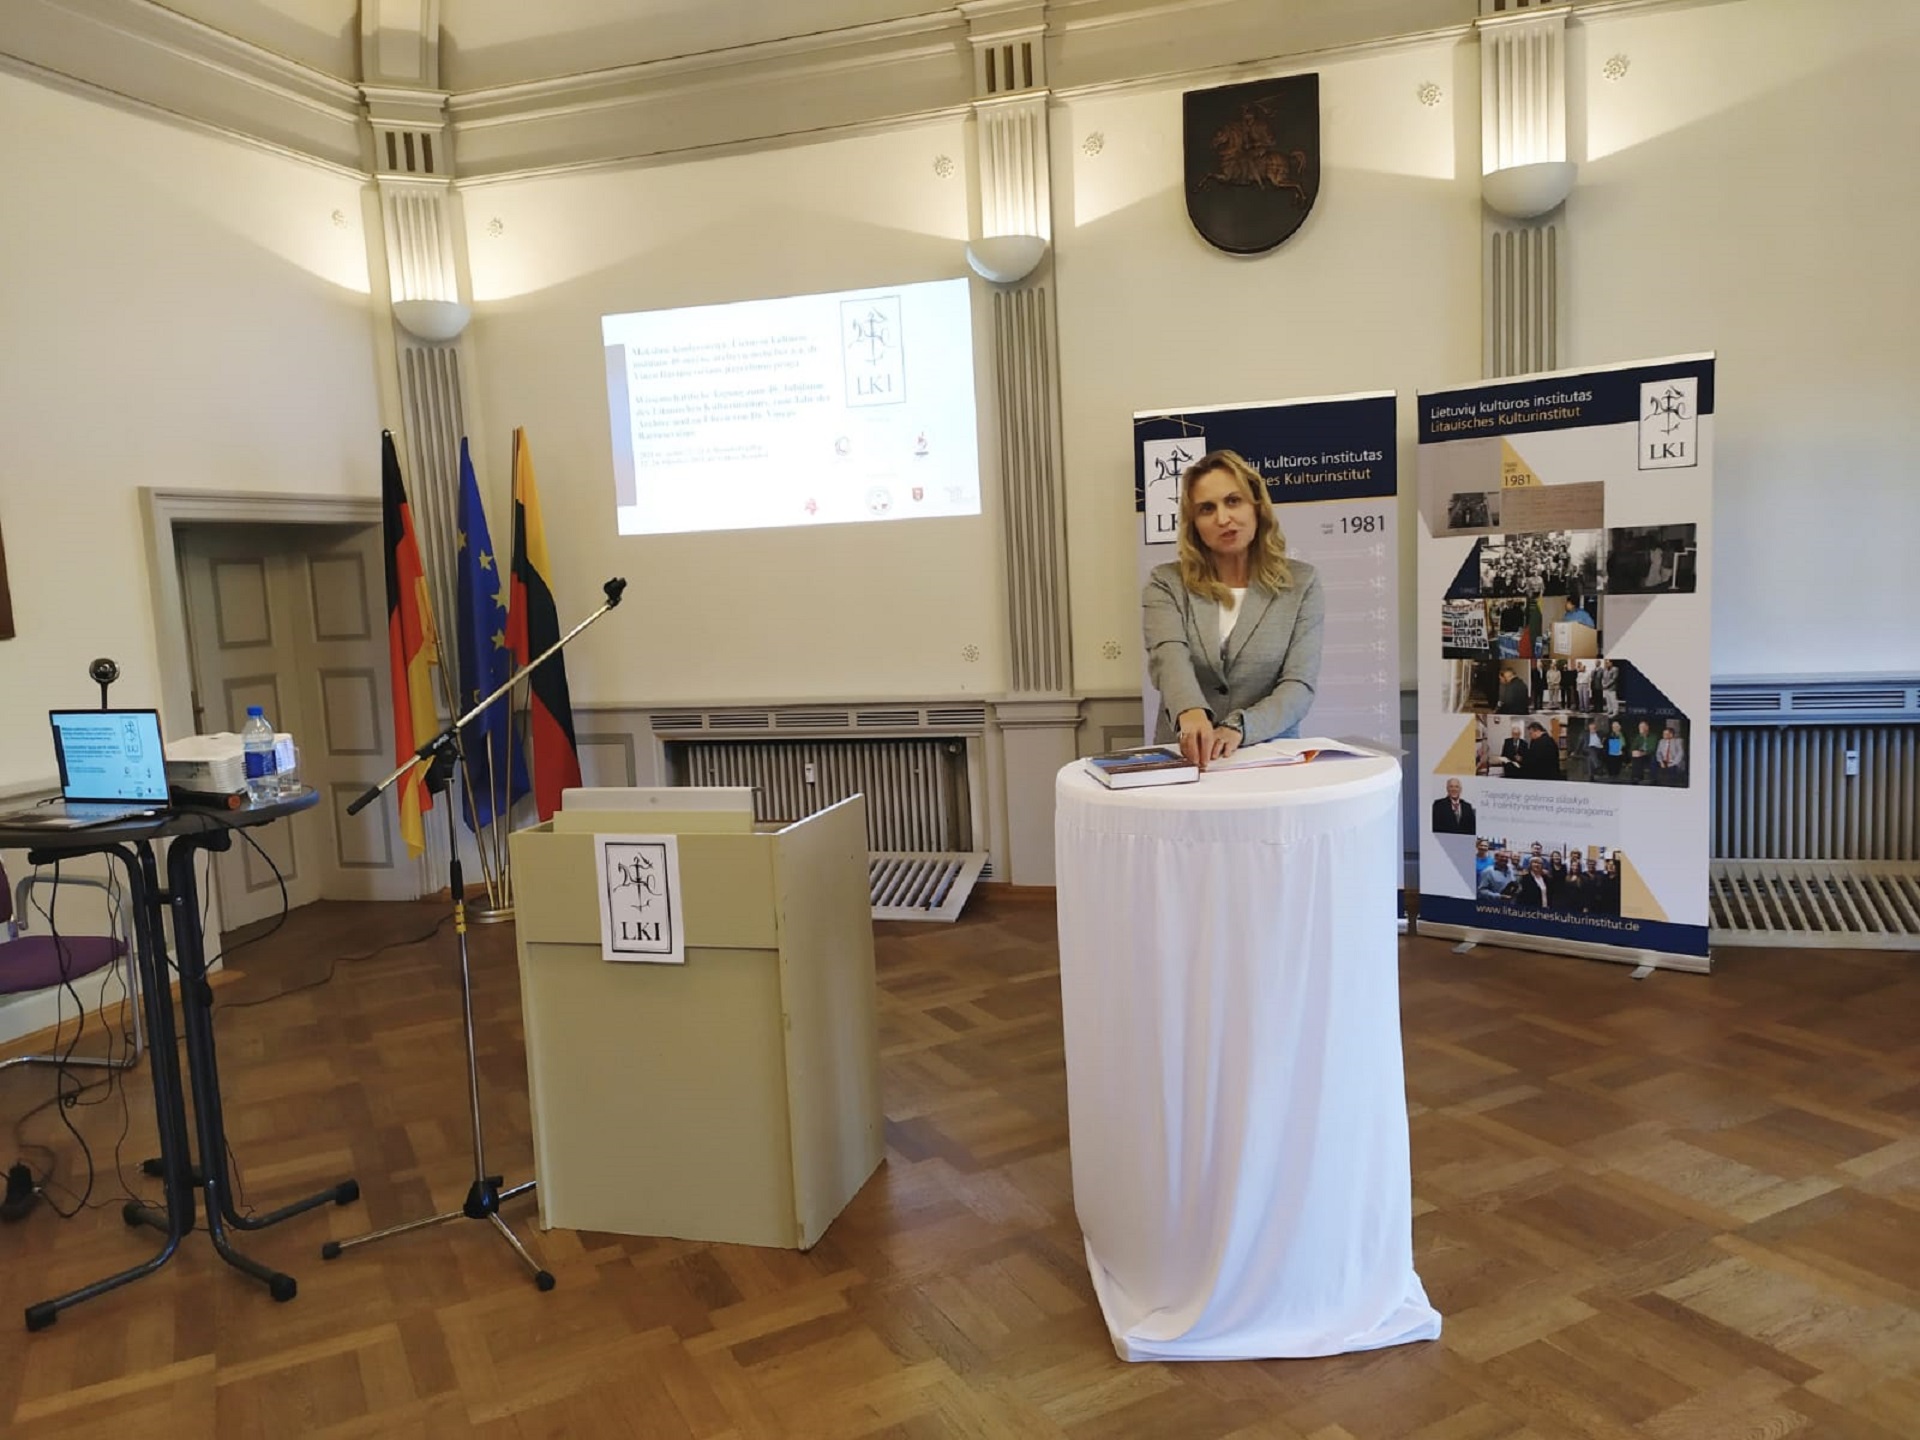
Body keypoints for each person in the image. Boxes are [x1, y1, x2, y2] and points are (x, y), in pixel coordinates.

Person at [1143, 450, 1324, 770]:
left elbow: (1299, 685)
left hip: (1270, 758)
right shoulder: (1166, 582)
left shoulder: (1301, 582)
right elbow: (1168, 655)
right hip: (1187, 759)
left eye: (1233, 501)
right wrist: (1190, 712)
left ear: (1256, 505)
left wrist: (1239, 727)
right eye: (1206, 509)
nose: (1223, 518)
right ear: (1193, 523)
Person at [1630, 719, 1659, 784]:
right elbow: (1633, 747)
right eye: (1640, 727)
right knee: (1636, 756)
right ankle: (1636, 777)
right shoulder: (1638, 737)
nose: (1641, 729)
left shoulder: (1653, 736)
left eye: (1643, 727)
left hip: (1650, 754)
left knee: (1652, 758)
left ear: (1647, 728)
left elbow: (1652, 748)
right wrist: (1634, 751)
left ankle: (1653, 778)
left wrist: (1643, 753)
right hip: (1640, 753)